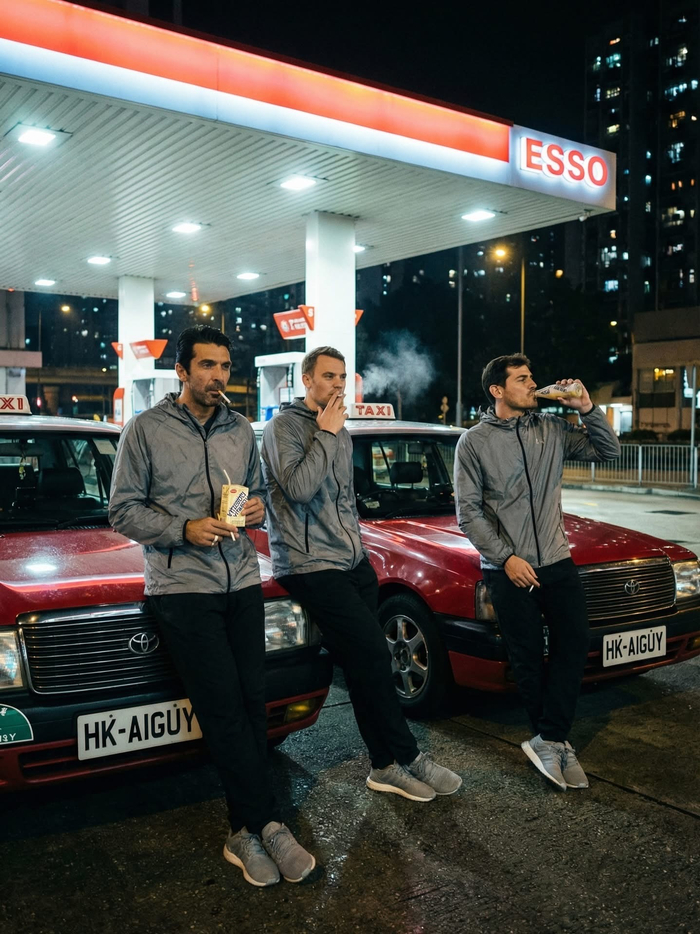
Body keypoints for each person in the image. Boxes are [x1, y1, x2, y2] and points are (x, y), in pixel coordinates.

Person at [109, 325, 315, 888]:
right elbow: (122, 510)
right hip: (182, 589)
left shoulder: (240, 429)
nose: (218, 376)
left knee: (252, 705)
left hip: (242, 580)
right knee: (223, 710)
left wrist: (256, 511)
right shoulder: (144, 430)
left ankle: (252, 823)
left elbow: (258, 493)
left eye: (224, 365)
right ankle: (259, 825)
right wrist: (183, 528)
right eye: (206, 365)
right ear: (181, 371)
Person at [260, 346, 462, 802]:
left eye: (342, 376)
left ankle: (383, 766)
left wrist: (359, 549)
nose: (337, 384)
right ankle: (408, 756)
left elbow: (345, 499)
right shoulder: (283, 428)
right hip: (309, 564)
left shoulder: (341, 431)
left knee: (366, 666)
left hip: (352, 562)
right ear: (307, 380)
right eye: (328, 376)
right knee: (372, 652)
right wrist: (326, 433)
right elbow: (298, 488)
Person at [454, 353, 621, 791]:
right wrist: (506, 558)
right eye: (523, 379)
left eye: (532, 377)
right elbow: (468, 513)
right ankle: (552, 740)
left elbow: (609, 451)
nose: (533, 384)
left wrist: (586, 408)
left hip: (557, 560)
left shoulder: (552, 428)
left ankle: (551, 737)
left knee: (574, 643)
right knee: (527, 656)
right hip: (509, 568)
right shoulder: (473, 442)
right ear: (497, 390)